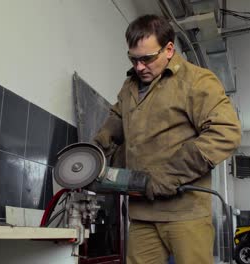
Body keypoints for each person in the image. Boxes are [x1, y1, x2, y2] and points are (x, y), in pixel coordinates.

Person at [93, 14, 241, 264]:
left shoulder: (196, 81)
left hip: (185, 213)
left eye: (147, 59)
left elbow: (225, 132)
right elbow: (116, 121)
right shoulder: (130, 87)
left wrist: (166, 177)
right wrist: (93, 154)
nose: (139, 67)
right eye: (133, 58)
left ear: (169, 49)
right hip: (142, 212)